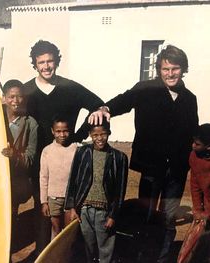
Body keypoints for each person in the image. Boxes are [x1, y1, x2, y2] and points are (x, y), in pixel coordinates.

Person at [89, 45, 199, 262]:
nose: (170, 73)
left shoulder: (190, 98)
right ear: (159, 69)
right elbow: (124, 100)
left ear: (183, 69)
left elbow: (192, 132)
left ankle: (162, 258)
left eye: (175, 69)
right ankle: (143, 256)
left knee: (168, 219)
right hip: (151, 167)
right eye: (165, 69)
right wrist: (105, 109)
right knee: (146, 216)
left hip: (176, 171)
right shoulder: (146, 88)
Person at [24, 39, 104, 254]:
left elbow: (98, 105)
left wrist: (78, 136)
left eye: (50, 61)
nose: (46, 66)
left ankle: (71, 253)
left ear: (57, 61)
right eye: (41, 62)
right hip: (38, 161)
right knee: (43, 208)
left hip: (68, 160)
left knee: (72, 207)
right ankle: (43, 253)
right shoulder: (26, 90)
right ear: (34, 64)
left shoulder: (70, 88)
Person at [64, 117, 128, 263]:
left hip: (104, 213)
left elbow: (120, 190)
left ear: (109, 133)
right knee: (87, 248)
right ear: (90, 135)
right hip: (84, 210)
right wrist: (72, 207)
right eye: (95, 135)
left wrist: (113, 215)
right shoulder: (82, 152)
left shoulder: (119, 157)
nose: (99, 138)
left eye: (103, 134)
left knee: (106, 249)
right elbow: (73, 180)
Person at [0, 80, 38, 244]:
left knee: (9, 221)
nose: (15, 101)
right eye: (11, 96)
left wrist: (15, 155)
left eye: (19, 97)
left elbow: (30, 158)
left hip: (14, 183)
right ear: (3, 97)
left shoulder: (31, 124)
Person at [39, 116, 77, 239]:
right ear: (52, 131)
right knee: (55, 229)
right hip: (53, 198)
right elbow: (44, 177)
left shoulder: (76, 149)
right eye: (58, 131)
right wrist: (44, 202)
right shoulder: (47, 151)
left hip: (71, 198)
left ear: (70, 130)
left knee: (68, 231)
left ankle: (67, 256)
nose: (62, 134)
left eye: (65, 131)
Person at [189, 123, 210, 222]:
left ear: (208, 146)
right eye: (193, 142)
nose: (193, 145)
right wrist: (197, 209)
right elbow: (195, 184)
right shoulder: (194, 156)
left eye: (197, 144)